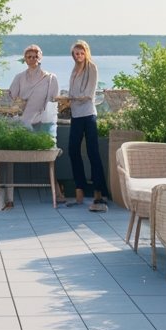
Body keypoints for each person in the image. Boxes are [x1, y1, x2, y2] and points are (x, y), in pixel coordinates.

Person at [63, 39, 111, 211]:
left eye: (81, 53)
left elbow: (88, 94)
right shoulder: (74, 70)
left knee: (93, 153)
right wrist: (68, 98)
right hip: (76, 115)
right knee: (73, 151)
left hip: (88, 115)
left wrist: (71, 98)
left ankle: (99, 195)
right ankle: (79, 191)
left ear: (86, 53)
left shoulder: (92, 68)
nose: (79, 56)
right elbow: (72, 92)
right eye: (76, 53)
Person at [8, 44, 60, 138]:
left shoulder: (50, 78)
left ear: (39, 58)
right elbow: (12, 96)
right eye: (29, 57)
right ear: (25, 59)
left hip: (43, 120)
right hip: (24, 119)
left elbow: (54, 99)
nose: (32, 59)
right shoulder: (19, 77)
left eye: (35, 56)